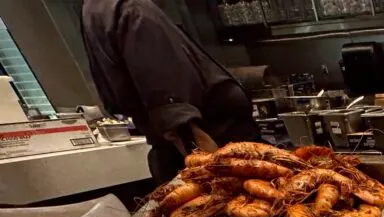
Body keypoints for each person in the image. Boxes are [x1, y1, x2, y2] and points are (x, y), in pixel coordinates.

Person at [81, 0, 261, 183]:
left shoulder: (99, 8)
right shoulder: (133, 9)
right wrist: (218, 179)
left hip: (189, 156)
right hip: (209, 157)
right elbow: (174, 113)